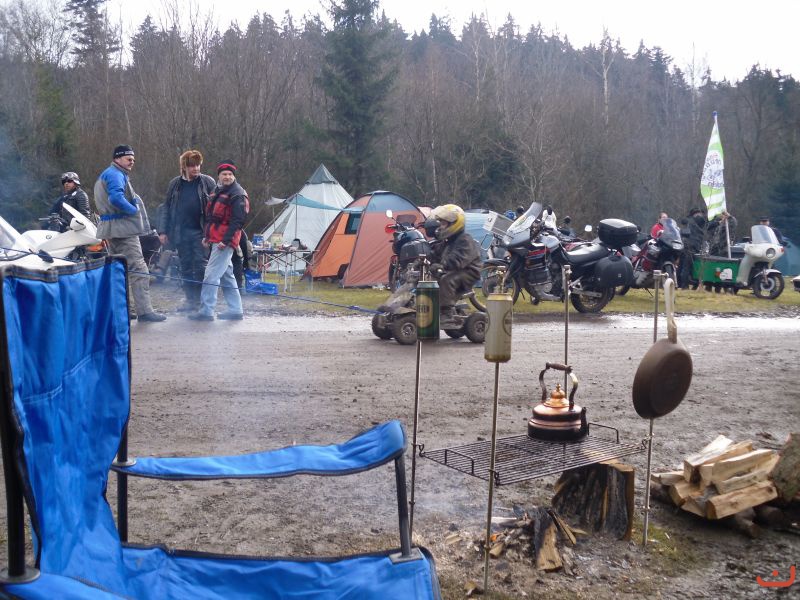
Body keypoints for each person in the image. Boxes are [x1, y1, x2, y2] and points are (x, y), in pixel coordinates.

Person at [94, 145, 166, 322]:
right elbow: (115, 198)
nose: (132, 161)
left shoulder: (108, 174)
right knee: (139, 268)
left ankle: (122, 311)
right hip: (123, 230)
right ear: (117, 159)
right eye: (128, 158)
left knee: (119, 270)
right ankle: (145, 312)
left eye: (133, 158)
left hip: (111, 229)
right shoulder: (115, 174)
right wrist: (133, 210)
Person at [189, 160, 249, 321]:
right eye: (224, 174)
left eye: (230, 174)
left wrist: (226, 240)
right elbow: (211, 217)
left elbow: (238, 221)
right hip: (215, 238)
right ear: (219, 176)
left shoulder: (238, 194)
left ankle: (206, 311)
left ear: (234, 176)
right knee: (226, 276)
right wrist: (207, 237)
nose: (227, 177)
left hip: (225, 241)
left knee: (210, 276)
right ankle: (236, 310)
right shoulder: (218, 191)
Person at [158, 150, 216, 312]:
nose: (196, 168)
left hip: (201, 232)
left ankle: (201, 301)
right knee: (185, 267)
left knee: (200, 266)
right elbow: (166, 208)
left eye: (198, 165)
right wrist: (162, 231)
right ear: (184, 167)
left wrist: (211, 232)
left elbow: (216, 209)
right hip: (180, 233)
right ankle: (190, 300)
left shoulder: (207, 182)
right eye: (192, 166)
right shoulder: (175, 184)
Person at [426, 204, 482, 325]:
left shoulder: (465, 239)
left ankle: (446, 313)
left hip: (469, 272)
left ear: (454, 224)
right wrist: (422, 261)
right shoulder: (447, 241)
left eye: (443, 224)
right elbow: (434, 254)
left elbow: (457, 260)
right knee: (427, 281)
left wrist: (442, 266)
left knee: (446, 279)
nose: (440, 227)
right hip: (455, 270)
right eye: (440, 223)